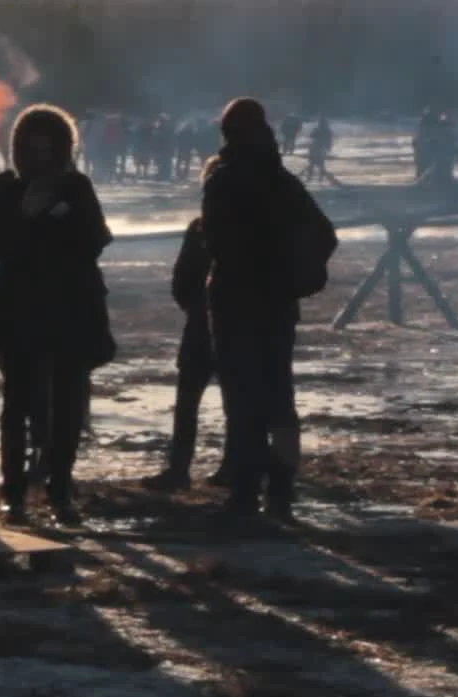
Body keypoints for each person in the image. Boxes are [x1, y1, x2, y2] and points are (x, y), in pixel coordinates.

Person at [0, 104, 115, 528]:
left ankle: (60, 487)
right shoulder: (2, 189)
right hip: (20, 308)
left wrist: (52, 225)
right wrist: (28, 219)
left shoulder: (76, 187)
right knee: (17, 404)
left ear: (63, 147)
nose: (39, 155)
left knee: (68, 404)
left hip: (72, 307)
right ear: (17, 148)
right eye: (31, 147)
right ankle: (13, 491)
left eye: (48, 147)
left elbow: (95, 239)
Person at [202, 98, 336, 521]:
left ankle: (244, 492)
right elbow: (325, 235)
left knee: (242, 400)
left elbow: (218, 244)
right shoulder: (282, 181)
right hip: (277, 305)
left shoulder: (223, 181)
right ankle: (280, 490)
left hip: (234, 302)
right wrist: (293, 277)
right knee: (279, 398)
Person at [142, 211, 227, 492]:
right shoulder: (258, 220)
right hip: (240, 324)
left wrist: (194, 306)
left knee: (188, 401)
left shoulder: (201, 225)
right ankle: (234, 465)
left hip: (201, 322)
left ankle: (179, 468)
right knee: (238, 402)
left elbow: (182, 277)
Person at [304, 116, 336, 184]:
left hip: (315, 146)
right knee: (321, 163)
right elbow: (329, 140)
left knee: (312, 163)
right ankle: (320, 177)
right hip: (322, 147)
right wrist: (329, 147)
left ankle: (309, 177)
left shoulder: (317, 129)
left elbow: (311, 135)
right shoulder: (327, 130)